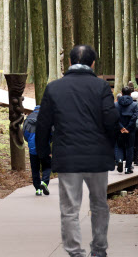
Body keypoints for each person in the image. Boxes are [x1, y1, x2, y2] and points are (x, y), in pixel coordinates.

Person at [36, 45, 119, 257]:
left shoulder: (54, 88)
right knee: (100, 204)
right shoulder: (101, 87)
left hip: (68, 158)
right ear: (93, 63)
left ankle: (75, 253)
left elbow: (43, 124)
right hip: (97, 159)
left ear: (70, 62)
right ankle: (99, 250)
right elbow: (111, 120)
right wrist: (110, 147)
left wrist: (44, 155)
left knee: (69, 209)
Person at [23, 105, 51, 196]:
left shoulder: (28, 119)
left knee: (35, 169)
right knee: (47, 166)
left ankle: (38, 189)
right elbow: (52, 132)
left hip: (32, 148)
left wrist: (30, 142)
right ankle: (44, 182)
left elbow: (25, 134)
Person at [114, 86, 138, 174]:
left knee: (119, 146)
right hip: (130, 130)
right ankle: (128, 168)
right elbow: (134, 117)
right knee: (129, 148)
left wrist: (121, 127)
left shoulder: (115, 105)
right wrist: (127, 128)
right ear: (130, 94)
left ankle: (120, 160)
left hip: (119, 130)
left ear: (122, 93)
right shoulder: (134, 105)